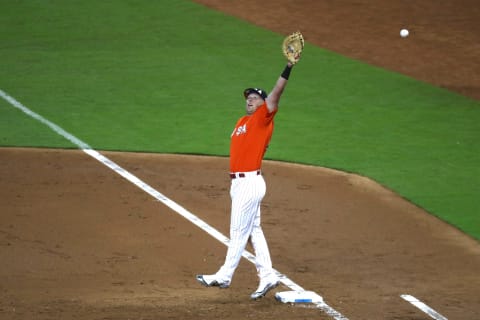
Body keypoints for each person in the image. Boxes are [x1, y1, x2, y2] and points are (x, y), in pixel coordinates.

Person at [196, 54, 301, 300]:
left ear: (264, 103)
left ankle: (224, 275)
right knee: (253, 230)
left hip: (250, 183)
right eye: (248, 98)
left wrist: (288, 67)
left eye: (255, 98)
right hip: (238, 183)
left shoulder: (264, 118)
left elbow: (276, 94)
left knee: (238, 231)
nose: (250, 101)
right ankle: (268, 276)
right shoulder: (242, 121)